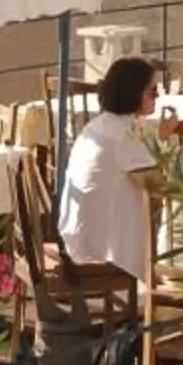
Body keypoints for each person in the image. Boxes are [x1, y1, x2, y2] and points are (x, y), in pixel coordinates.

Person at [57, 55, 159, 283]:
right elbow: (157, 184)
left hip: (79, 238)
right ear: (134, 93)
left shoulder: (98, 125)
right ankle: (147, 283)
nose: (157, 97)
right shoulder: (124, 134)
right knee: (151, 206)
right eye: (152, 91)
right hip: (103, 254)